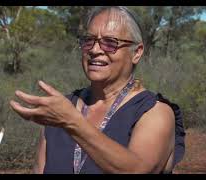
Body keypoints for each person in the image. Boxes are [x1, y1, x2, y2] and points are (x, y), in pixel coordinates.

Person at [10, 6, 185, 174]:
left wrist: (72, 122)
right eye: (89, 41)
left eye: (110, 43)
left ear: (137, 53)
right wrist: (65, 118)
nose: (95, 50)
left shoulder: (154, 112)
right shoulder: (60, 109)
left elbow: (137, 169)